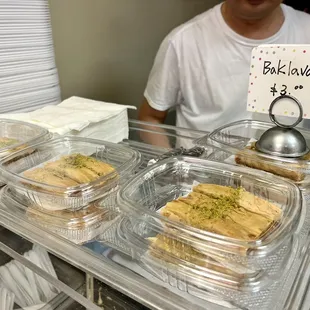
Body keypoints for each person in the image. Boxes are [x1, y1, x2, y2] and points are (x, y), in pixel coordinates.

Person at [138, 0, 310, 145]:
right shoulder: (182, 41)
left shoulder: (306, 30)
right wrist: (171, 169)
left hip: (286, 177)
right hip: (203, 178)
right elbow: (150, 118)